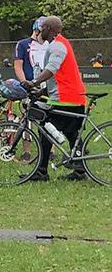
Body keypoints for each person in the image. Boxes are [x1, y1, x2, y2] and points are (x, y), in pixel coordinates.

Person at [21, 16, 87, 181]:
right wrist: (42, 92)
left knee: (45, 129)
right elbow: (57, 76)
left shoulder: (57, 45)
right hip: (70, 96)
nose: (39, 31)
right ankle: (79, 170)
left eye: (42, 28)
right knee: (71, 132)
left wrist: (34, 82)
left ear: (49, 29)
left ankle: (42, 171)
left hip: (66, 97)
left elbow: (51, 70)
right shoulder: (60, 43)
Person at [14, 17, 49, 85]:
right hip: (30, 82)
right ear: (36, 31)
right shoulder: (22, 44)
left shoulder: (50, 44)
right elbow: (18, 66)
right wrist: (24, 82)